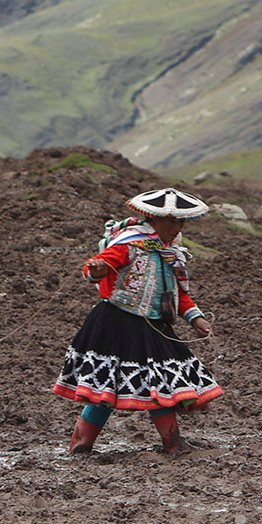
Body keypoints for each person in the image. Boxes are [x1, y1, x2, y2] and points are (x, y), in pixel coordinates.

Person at [53, 188, 224, 457]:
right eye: (170, 221)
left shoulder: (171, 254)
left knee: (162, 385)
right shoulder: (129, 244)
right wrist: (96, 269)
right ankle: (81, 445)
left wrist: (196, 319)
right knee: (106, 389)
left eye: (179, 222)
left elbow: (177, 295)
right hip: (116, 324)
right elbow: (96, 266)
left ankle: (171, 443)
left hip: (153, 326)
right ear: (153, 219)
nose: (175, 227)